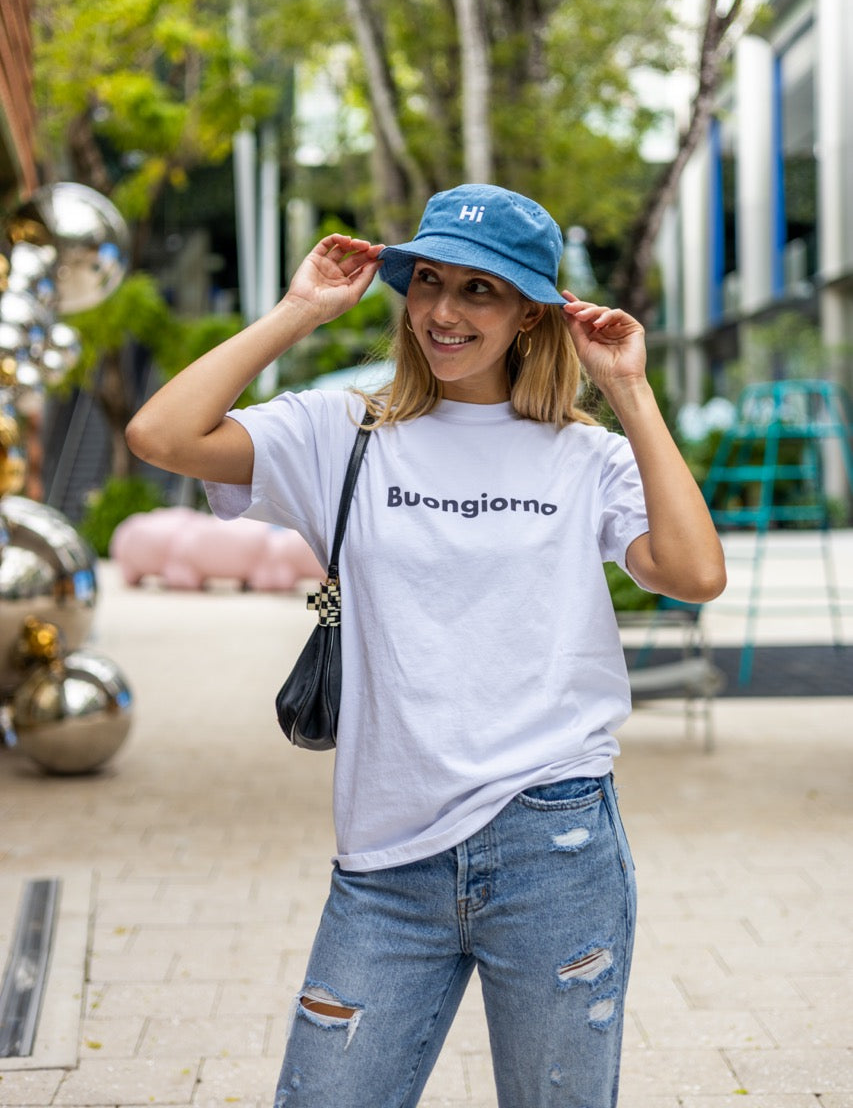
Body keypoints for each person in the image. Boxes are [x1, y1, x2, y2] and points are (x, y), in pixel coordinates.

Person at [126, 183, 726, 1108]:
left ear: (531, 315)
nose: (443, 311)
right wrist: (298, 312)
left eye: (479, 291)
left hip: (553, 843)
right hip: (385, 858)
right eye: (427, 282)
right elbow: (160, 434)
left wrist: (630, 391)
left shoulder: (584, 456)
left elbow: (692, 573)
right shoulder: (341, 433)